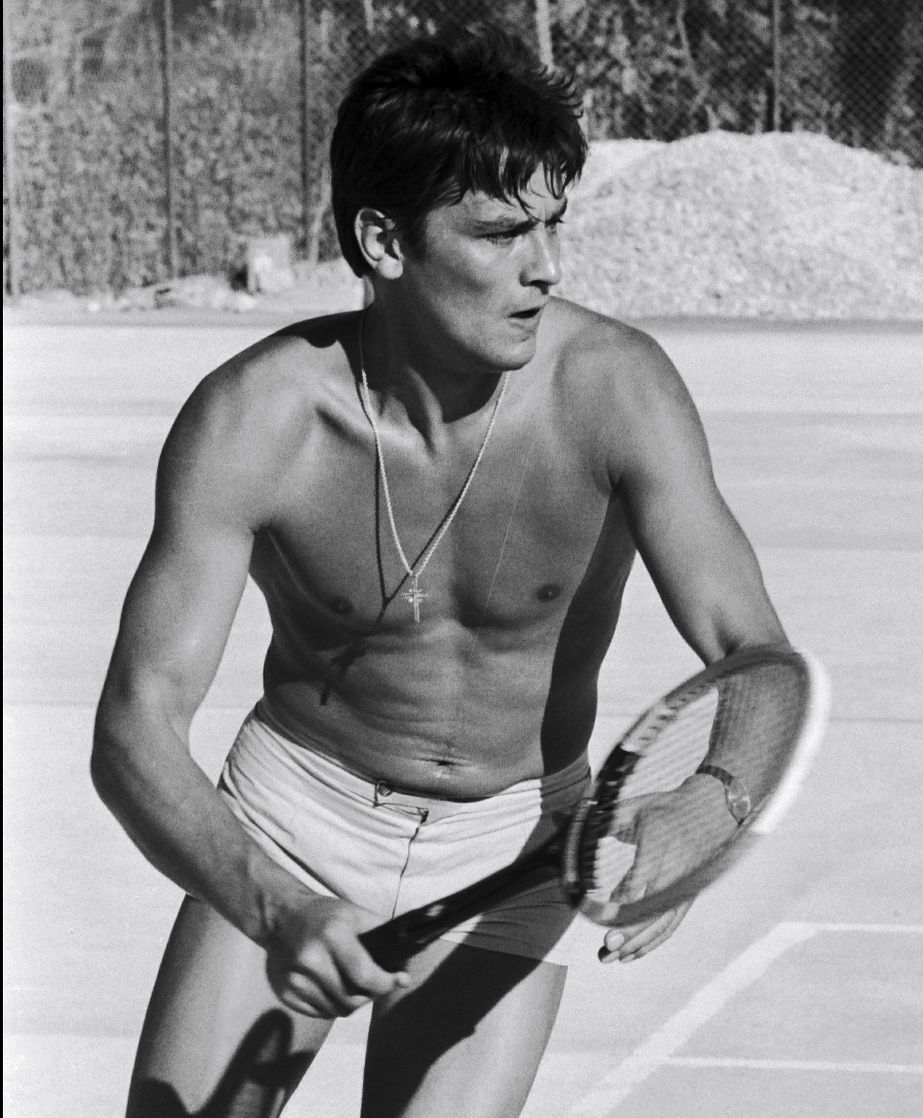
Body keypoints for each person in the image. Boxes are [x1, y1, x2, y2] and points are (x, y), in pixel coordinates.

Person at [92, 22, 788, 1118]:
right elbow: (134, 723)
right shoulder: (258, 419)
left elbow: (758, 654)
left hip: (513, 842)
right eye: (501, 232)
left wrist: (710, 801)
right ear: (383, 241)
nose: (545, 265)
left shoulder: (616, 391)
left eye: (554, 223)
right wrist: (273, 902)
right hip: (297, 816)